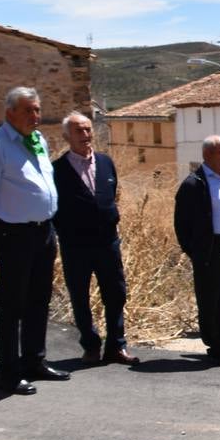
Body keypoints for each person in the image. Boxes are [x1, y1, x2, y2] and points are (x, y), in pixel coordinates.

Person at [0, 86, 70, 395]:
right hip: (13, 234)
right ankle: (8, 373)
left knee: (39, 300)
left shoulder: (37, 140)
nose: (35, 116)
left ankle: (33, 361)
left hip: (43, 231)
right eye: (28, 110)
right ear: (9, 112)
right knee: (12, 305)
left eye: (37, 110)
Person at [52, 112, 136, 365]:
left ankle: (116, 347)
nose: (86, 135)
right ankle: (90, 345)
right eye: (79, 131)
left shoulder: (105, 162)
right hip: (75, 246)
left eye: (88, 129)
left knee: (116, 293)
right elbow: (54, 208)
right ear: (67, 136)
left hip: (108, 243)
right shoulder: (57, 170)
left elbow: (112, 194)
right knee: (80, 296)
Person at [174, 135, 220, 365]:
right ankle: (216, 346)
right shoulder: (194, 183)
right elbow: (182, 224)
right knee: (211, 300)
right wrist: (195, 252)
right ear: (207, 155)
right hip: (212, 250)